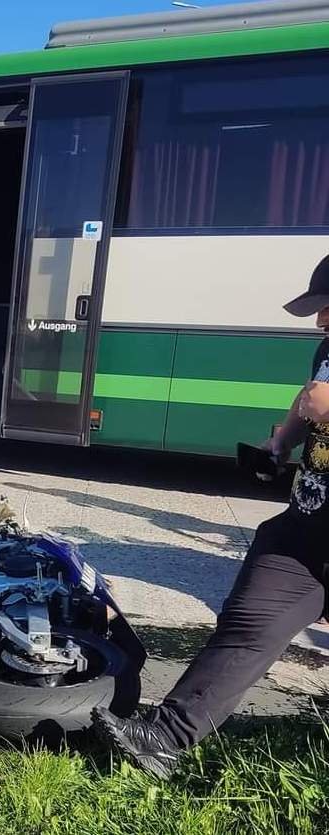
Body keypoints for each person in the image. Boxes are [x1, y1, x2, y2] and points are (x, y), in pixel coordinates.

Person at [93, 253, 329, 779]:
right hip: (306, 528)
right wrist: (281, 442)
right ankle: (163, 740)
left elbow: (322, 400)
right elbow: (306, 401)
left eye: (328, 310)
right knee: (249, 622)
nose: (320, 321)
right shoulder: (328, 348)